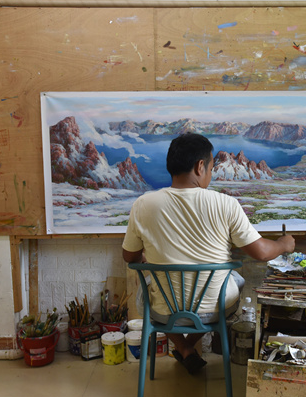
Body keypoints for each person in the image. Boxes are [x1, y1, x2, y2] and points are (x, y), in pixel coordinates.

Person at [122, 132, 295, 374]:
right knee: (234, 282)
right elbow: (262, 253)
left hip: (164, 312)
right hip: (215, 310)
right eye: (212, 169)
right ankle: (187, 348)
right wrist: (284, 244)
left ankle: (184, 348)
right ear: (200, 166)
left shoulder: (143, 205)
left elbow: (129, 258)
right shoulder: (226, 204)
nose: (211, 175)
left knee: (150, 290)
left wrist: (147, 259)